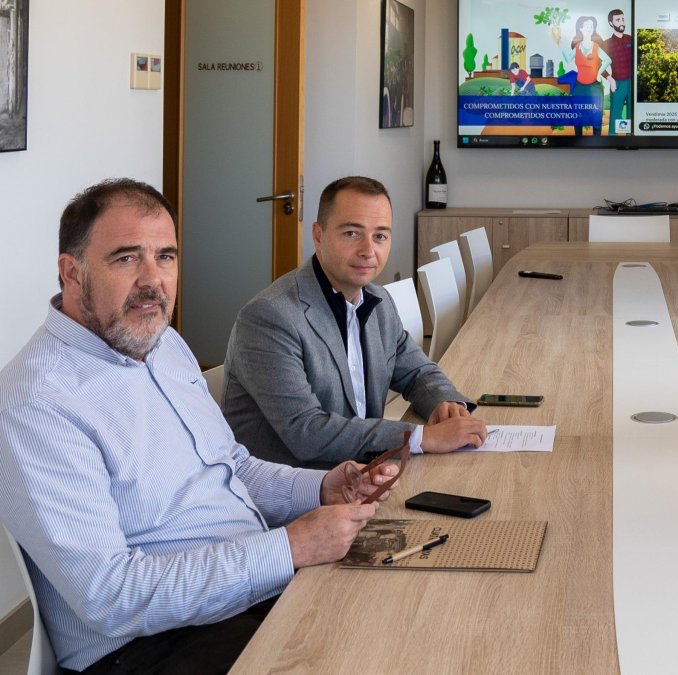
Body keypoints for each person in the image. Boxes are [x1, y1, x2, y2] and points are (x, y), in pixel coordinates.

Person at [0, 178, 401, 673]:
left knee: (404, 611)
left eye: (165, 257)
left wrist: (321, 487)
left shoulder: (163, 344)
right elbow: (111, 597)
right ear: (72, 272)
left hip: (246, 592)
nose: (154, 280)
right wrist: (289, 547)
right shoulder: (38, 401)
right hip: (152, 645)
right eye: (126, 258)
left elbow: (232, 465)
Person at [223, 176, 488, 468]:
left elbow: (417, 372)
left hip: (362, 475)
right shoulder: (269, 317)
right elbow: (306, 431)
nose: (368, 250)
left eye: (380, 236)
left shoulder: (379, 302)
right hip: (297, 497)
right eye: (351, 233)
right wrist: (421, 438)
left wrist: (444, 403)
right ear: (318, 235)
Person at [553, 15, 614, 135]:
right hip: (579, 87)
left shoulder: (596, 47)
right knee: (578, 117)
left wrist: (598, 73)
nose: (589, 28)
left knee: (596, 118)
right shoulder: (576, 47)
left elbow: (608, 60)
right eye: (587, 26)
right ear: (581, 28)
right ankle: (578, 143)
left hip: (594, 88)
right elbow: (568, 59)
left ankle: (597, 143)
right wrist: (561, 44)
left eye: (591, 26)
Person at [603, 9, 633, 134]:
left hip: (632, 82)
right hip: (617, 84)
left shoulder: (631, 39)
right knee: (615, 113)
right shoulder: (606, 44)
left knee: (632, 113)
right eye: (618, 20)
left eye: (622, 19)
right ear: (611, 23)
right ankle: (613, 138)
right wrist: (610, 79)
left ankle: (631, 136)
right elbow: (598, 66)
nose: (621, 22)